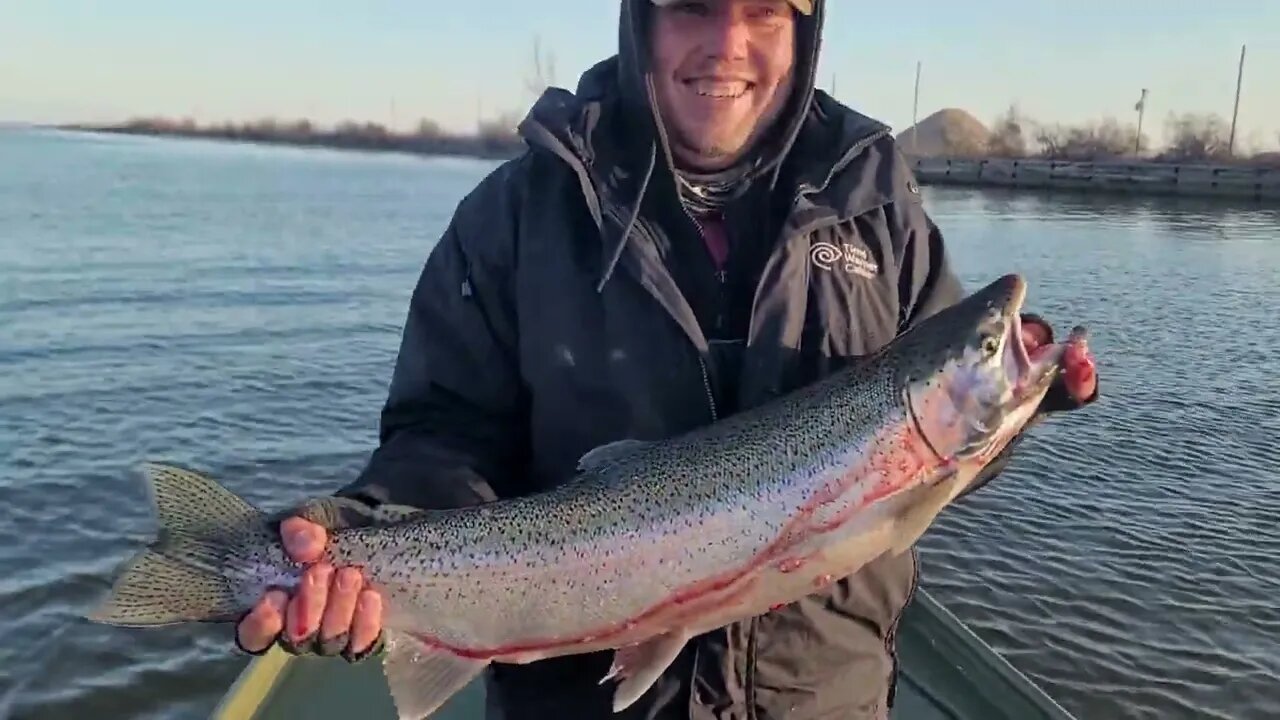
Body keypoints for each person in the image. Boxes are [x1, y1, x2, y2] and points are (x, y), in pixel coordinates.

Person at [235, 0, 1099, 718]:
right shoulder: (515, 216)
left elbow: (938, 452)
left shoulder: (880, 210)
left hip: (821, 700)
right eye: (694, 7)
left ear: (805, 33)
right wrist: (363, 541)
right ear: (641, 21)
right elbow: (445, 433)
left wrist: (1025, 401)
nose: (728, 43)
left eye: (765, 11)